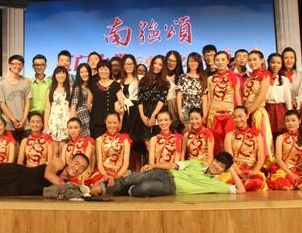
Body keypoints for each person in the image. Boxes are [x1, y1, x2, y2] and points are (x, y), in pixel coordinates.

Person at [91, 151, 245, 197]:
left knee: (143, 188)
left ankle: (126, 189)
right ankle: (99, 189)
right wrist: (154, 165)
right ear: (213, 160)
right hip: (165, 173)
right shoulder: (196, 163)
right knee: (134, 177)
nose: (217, 166)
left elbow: (241, 190)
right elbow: (173, 165)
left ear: (224, 170)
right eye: (217, 162)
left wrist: (231, 168)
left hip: (171, 187)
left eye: (222, 166)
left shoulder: (216, 184)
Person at [222, 106, 266, 191]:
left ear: (247, 116)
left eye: (240, 116)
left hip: (251, 169)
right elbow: (229, 158)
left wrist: (254, 171)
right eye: (235, 117)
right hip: (235, 169)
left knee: (257, 182)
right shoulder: (229, 135)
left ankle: (240, 186)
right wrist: (239, 173)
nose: (238, 119)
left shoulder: (257, 135)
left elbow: (261, 158)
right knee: (229, 181)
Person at [205, 51, 241, 153]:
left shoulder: (234, 77)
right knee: (216, 144)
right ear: (214, 62)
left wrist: (240, 112)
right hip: (214, 114)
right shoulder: (210, 79)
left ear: (228, 61)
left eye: (223, 60)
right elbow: (209, 99)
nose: (220, 62)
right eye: (217, 60)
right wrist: (206, 115)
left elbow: (237, 96)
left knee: (230, 143)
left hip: (229, 114)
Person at [268, 110, 302, 190]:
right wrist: (291, 174)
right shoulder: (280, 138)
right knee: (285, 184)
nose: (290, 123)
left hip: (298, 171)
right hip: (283, 170)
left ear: (299, 121)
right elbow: (278, 159)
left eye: (293, 120)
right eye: (287, 121)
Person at [244, 50, 273, 160]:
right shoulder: (250, 77)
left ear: (261, 60)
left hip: (257, 113)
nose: (252, 62)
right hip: (247, 113)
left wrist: (250, 111)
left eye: (255, 59)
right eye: (250, 60)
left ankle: (264, 163)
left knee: (261, 139)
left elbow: (261, 96)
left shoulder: (265, 75)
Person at [138, 55, 169, 147]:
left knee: (160, 142)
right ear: (152, 64)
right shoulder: (143, 80)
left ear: (163, 67)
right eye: (155, 63)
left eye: (160, 64)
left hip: (159, 112)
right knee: (147, 141)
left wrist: (154, 115)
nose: (157, 66)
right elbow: (140, 99)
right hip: (145, 112)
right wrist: (142, 115)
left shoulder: (165, 82)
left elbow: (162, 100)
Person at [91, 112, 131, 183]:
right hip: (103, 173)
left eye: (115, 123)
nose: (112, 125)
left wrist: (116, 177)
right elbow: (100, 164)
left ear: (119, 123)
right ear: (105, 122)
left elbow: (125, 164)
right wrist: (106, 176)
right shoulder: (99, 140)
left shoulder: (125, 139)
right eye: (109, 123)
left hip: (121, 173)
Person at [89, 60, 125, 138]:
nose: (103, 71)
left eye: (106, 69)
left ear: (110, 70)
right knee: (97, 143)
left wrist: (120, 121)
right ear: (97, 70)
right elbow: (89, 104)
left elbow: (122, 105)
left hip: (112, 123)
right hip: (96, 122)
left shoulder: (116, 85)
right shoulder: (93, 85)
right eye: (101, 69)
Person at [119, 54, 143, 170]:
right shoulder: (119, 81)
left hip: (136, 112)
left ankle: (137, 171)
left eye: (131, 63)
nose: (129, 66)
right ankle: (126, 170)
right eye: (126, 64)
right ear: (123, 66)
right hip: (124, 113)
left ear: (134, 65)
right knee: (125, 141)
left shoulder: (140, 79)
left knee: (136, 143)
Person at [176, 52, 208, 127]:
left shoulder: (203, 78)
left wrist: (205, 114)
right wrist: (180, 112)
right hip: (186, 110)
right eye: (190, 61)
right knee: (187, 131)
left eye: (195, 61)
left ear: (199, 63)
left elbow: (204, 98)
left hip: (199, 111)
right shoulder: (183, 77)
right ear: (188, 62)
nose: (193, 63)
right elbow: (179, 96)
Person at [266, 53, 292, 140]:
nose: (275, 65)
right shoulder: (264, 78)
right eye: (273, 62)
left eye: (278, 63)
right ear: (268, 63)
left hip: (280, 109)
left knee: (281, 134)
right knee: (268, 134)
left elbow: (288, 98)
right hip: (267, 108)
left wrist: (290, 112)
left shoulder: (285, 80)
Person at [44, 66, 70, 151]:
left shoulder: (70, 90)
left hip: (65, 124)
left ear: (66, 75)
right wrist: (46, 126)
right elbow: (47, 109)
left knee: (63, 150)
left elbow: (72, 109)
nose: (61, 75)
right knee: (54, 151)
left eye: (63, 73)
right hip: (53, 124)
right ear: (54, 75)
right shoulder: (50, 91)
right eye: (58, 73)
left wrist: (71, 125)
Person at [70, 63, 93, 137]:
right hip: (82, 117)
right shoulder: (77, 87)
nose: (84, 74)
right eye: (82, 72)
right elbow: (73, 106)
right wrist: (72, 122)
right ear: (79, 74)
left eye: (86, 71)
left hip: (92, 115)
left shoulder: (93, 86)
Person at [164, 50, 183, 128]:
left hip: (176, 107)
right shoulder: (161, 75)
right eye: (170, 60)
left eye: (174, 61)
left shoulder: (181, 76)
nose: (171, 63)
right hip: (163, 108)